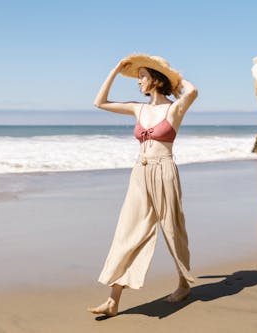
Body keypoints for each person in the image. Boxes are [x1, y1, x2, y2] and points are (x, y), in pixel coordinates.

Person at [87, 54, 198, 317]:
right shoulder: (139, 108)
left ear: (156, 81)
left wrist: (169, 72)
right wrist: (115, 69)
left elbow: (192, 90)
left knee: (173, 230)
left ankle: (184, 284)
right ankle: (113, 301)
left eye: (143, 77)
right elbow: (99, 102)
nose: (139, 83)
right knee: (128, 231)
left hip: (165, 171)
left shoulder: (174, 109)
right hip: (140, 172)